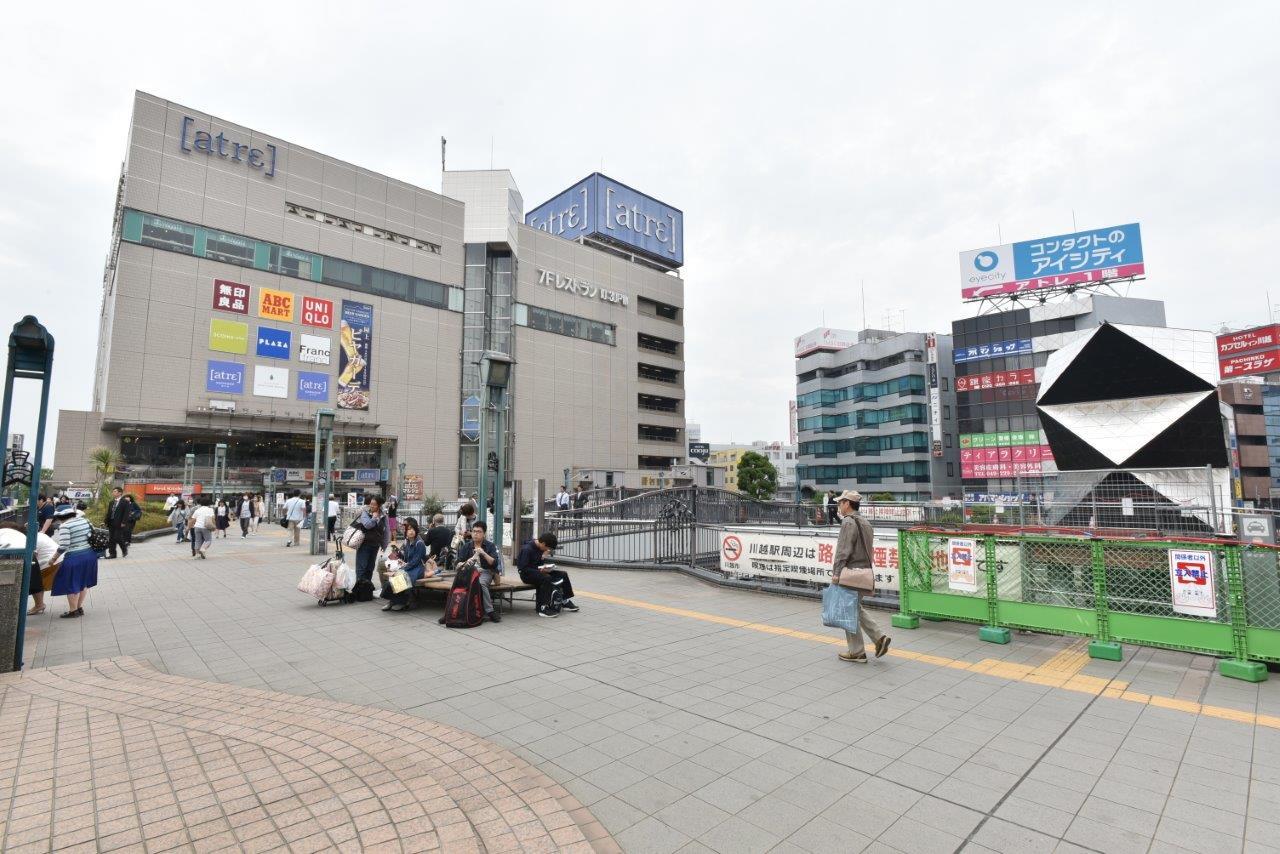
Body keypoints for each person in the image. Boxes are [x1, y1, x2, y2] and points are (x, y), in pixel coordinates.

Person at [831, 490, 891, 663]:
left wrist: (836, 573)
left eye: (840, 502)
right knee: (854, 607)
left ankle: (857, 651)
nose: (839, 506)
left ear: (847, 503)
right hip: (863, 573)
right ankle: (879, 638)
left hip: (850, 573)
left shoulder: (848, 522)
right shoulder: (865, 522)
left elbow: (843, 550)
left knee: (848, 610)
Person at [0, 521, 60, 616]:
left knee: (8, 582)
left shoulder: (3, 532)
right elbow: (34, 551)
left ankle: (9, 607)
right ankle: (39, 604)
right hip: (28, 554)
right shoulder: (21, 535)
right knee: (35, 580)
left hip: (9, 555)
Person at [516, 532, 579, 617]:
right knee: (546, 578)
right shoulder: (527, 549)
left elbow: (538, 563)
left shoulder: (540, 548)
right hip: (527, 575)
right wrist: (539, 571)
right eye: (548, 548)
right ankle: (542, 608)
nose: (547, 550)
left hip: (538, 571)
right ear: (543, 543)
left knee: (563, 574)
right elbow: (522, 568)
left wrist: (544, 564)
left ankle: (564, 600)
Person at [50, 504, 97, 618]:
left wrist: (53, 558)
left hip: (75, 558)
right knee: (83, 582)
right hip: (89, 555)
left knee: (71, 583)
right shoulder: (85, 520)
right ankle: (79, 608)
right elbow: (93, 533)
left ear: (61, 517)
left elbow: (64, 545)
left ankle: (73, 611)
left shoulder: (65, 526)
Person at [380, 518, 437, 611]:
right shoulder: (407, 541)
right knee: (391, 581)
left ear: (416, 530)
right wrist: (398, 555)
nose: (411, 531)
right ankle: (394, 601)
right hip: (409, 567)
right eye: (409, 529)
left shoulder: (419, 543)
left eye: (413, 529)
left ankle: (400, 602)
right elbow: (405, 557)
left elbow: (415, 561)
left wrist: (404, 567)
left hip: (417, 569)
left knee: (399, 579)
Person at [454, 520, 502, 623]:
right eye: (474, 531)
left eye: (479, 532)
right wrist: (464, 563)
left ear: (484, 534)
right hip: (469, 572)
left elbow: (494, 563)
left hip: (485, 571)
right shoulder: (467, 546)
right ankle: (453, 610)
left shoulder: (490, 546)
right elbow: (458, 562)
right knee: (457, 583)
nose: (475, 534)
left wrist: (483, 553)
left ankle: (490, 611)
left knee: (481, 583)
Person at [349, 496, 387, 589]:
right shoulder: (365, 513)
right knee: (362, 567)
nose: (371, 506)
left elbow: (386, 530)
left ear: (379, 506)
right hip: (364, 544)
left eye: (374, 504)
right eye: (371, 504)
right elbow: (367, 525)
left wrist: (384, 544)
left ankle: (367, 587)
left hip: (375, 544)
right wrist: (374, 518)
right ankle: (359, 588)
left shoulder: (383, 515)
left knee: (370, 567)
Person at [104, 487, 131, 559]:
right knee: (111, 539)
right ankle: (112, 554)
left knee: (117, 537)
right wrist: (105, 521)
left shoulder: (125, 502)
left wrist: (124, 522)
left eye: (115, 491)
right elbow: (109, 513)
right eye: (113, 491)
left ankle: (124, 549)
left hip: (120, 523)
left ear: (120, 493)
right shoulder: (112, 502)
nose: (113, 493)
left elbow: (126, 513)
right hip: (111, 522)